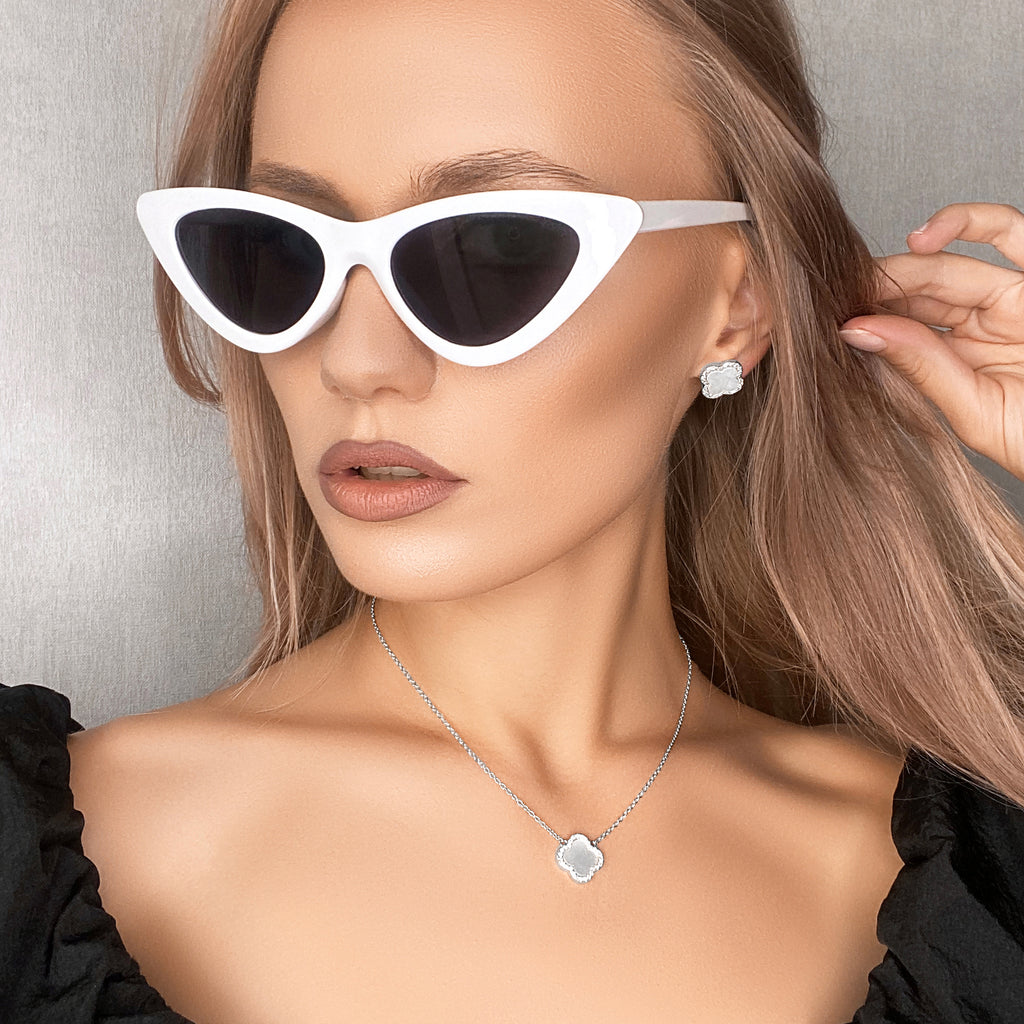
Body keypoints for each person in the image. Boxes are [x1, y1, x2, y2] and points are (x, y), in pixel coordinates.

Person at [2, 0, 1023, 1021]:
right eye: (280, 248)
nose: (357, 359)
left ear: (736, 306)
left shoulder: (983, 878)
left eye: (493, 249)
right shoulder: (43, 858)